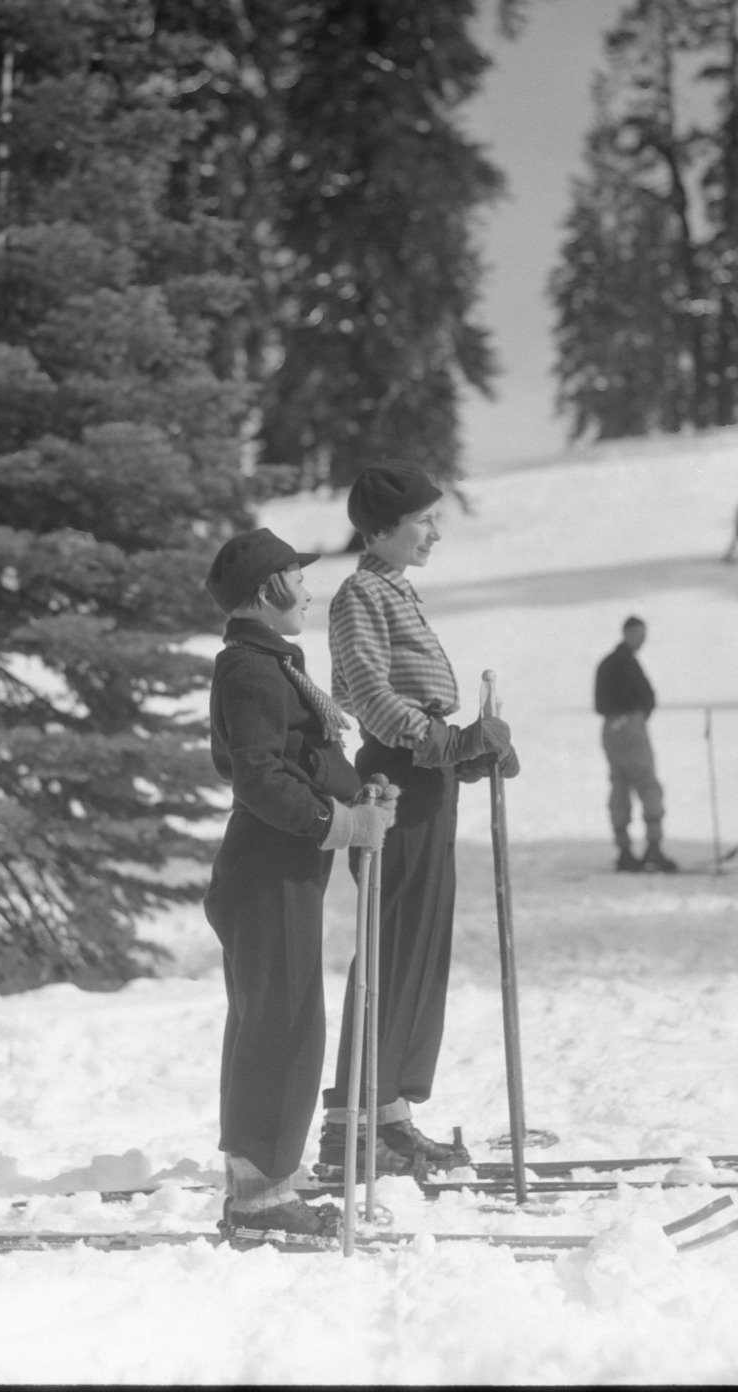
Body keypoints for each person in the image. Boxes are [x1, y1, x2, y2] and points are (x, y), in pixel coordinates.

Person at [321, 461, 518, 1179]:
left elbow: (413, 704)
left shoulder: (394, 591)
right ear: (379, 530)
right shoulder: (358, 597)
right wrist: (445, 744)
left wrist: (471, 753)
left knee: (421, 946)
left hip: (423, 775)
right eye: (421, 522)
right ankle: (350, 1124)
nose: (434, 532)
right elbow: (373, 697)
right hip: (393, 780)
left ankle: (391, 1110)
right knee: (392, 945)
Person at [202, 528, 398, 1236]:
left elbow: (304, 759)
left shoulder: (272, 664)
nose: (307, 589)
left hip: (281, 864)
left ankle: (267, 1179)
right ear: (265, 593)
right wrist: (339, 824)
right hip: (267, 866)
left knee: (280, 1021)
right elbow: (259, 776)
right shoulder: (252, 671)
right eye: (295, 577)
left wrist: (360, 791)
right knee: (279, 1027)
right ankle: (257, 1200)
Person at [594, 616, 678, 873]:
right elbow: (644, 696)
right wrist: (637, 716)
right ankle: (653, 848)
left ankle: (624, 850)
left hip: (611, 729)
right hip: (629, 726)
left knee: (619, 785)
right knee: (647, 783)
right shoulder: (624, 662)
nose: (642, 638)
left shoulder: (610, 662)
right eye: (638, 633)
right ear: (628, 633)